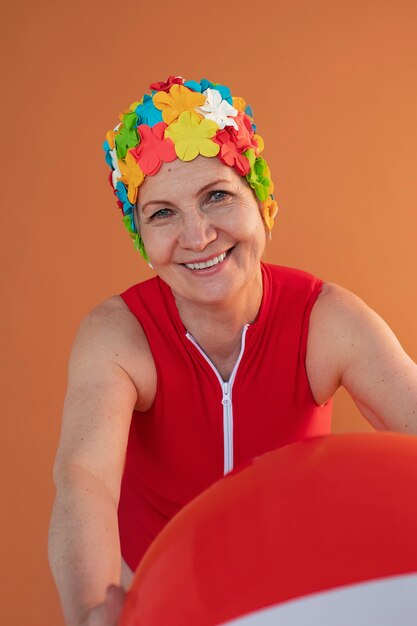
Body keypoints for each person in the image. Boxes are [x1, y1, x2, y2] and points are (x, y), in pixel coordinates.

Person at [48, 75, 417, 626]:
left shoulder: (325, 318)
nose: (196, 236)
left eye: (217, 196)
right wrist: (93, 610)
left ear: (262, 202)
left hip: (289, 591)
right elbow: (86, 478)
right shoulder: (118, 335)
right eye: (163, 213)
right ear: (141, 237)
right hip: (155, 587)